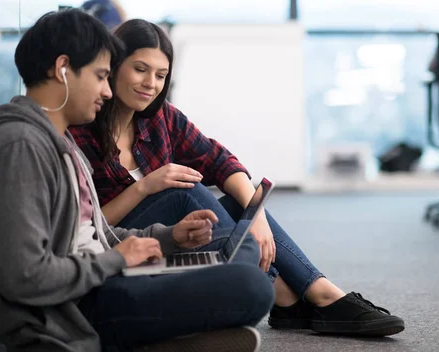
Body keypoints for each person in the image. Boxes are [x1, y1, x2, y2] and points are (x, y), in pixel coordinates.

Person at [69, 18, 406, 337]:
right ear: (113, 66)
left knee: (233, 200)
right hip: (114, 241)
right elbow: (84, 226)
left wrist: (255, 216)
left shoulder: (161, 119)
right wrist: (144, 187)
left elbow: (221, 160)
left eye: (160, 75)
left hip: (169, 235)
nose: (150, 84)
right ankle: (300, 296)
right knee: (181, 191)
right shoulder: (81, 130)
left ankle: (309, 294)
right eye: (140, 69)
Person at [0, 9, 274, 352]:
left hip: (101, 279)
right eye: (101, 76)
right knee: (251, 285)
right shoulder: (22, 145)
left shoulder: (61, 143)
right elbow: (23, 277)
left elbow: (95, 235)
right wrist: (116, 261)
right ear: (63, 69)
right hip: (76, 308)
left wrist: (168, 238)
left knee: (243, 254)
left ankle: (161, 336)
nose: (107, 90)